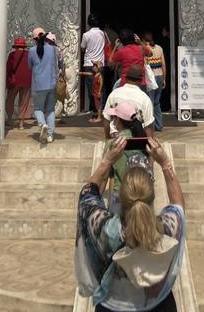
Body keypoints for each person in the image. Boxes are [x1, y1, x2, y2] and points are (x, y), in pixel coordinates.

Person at [75, 135, 186, 311]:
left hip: (113, 306)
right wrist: (165, 163)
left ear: (121, 197)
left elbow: (86, 196)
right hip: (159, 305)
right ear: (152, 196)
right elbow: (178, 205)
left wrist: (107, 161)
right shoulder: (166, 229)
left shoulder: (107, 230)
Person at [104, 64, 155, 139]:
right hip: (135, 142)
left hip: (115, 139)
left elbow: (106, 120)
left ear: (126, 78)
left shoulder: (114, 94)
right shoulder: (145, 99)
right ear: (141, 80)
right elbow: (148, 127)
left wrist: (108, 140)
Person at [29, 27, 59, 144]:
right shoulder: (52, 49)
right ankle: (50, 135)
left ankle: (42, 125)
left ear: (35, 39)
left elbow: (29, 66)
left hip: (38, 85)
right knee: (50, 110)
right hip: (52, 83)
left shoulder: (32, 51)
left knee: (38, 108)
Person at [82, 15, 109, 115]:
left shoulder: (86, 35)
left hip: (89, 63)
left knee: (91, 87)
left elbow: (82, 47)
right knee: (101, 86)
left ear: (88, 23)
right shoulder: (103, 33)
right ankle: (102, 108)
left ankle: (93, 109)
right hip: (100, 64)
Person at [5, 35, 32, 129]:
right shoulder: (29, 54)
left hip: (14, 81)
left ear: (15, 46)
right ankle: (21, 123)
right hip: (27, 80)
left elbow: (8, 69)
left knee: (10, 100)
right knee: (24, 102)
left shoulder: (12, 55)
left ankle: (9, 119)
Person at [143, 31, 166, 132]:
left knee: (150, 102)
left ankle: (150, 127)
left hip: (151, 78)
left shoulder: (145, 50)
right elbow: (163, 65)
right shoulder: (159, 48)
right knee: (157, 103)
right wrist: (164, 79)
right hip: (160, 76)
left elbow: (144, 65)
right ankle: (159, 125)